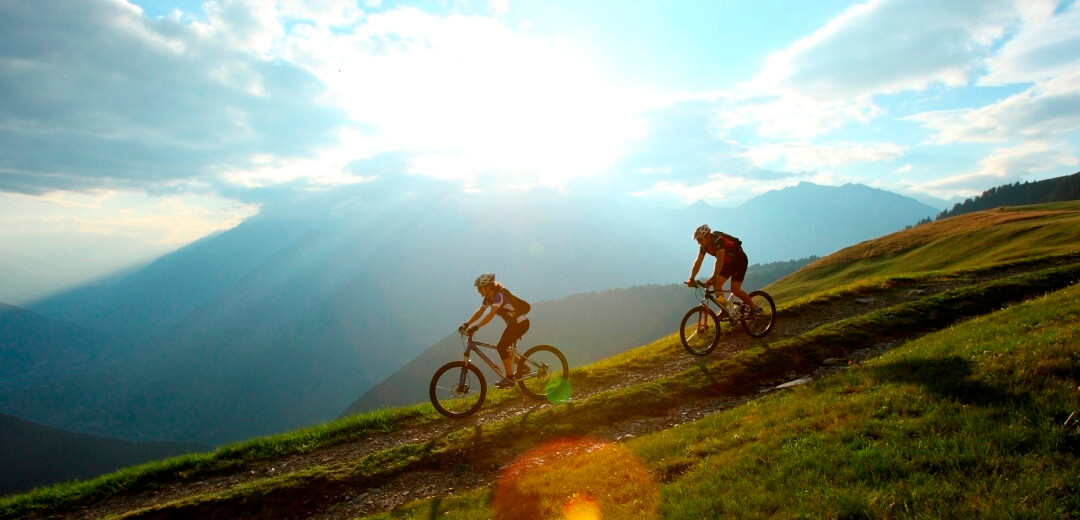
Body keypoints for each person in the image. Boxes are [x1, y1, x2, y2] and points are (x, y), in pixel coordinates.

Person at [461, 273, 531, 389]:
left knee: (501, 347)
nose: (478, 291)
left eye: (480, 288)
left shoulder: (498, 296)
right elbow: (480, 311)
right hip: (515, 324)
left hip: (521, 323)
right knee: (504, 348)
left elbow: (491, 314)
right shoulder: (488, 298)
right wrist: (467, 324)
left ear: (488, 287)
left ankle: (509, 378)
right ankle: (523, 367)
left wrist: (476, 327)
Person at [686, 224, 758, 314]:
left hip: (739, 260)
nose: (698, 242)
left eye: (700, 239)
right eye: (697, 240)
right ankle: (725, 310)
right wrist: (691, 278)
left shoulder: (718, 241)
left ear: (708, 236)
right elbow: (698, 261)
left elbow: (719, 261)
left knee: (735, 289)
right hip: (728, 263)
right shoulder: (704, 246)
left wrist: (714, 277)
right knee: (717, 286)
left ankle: (755, 309)